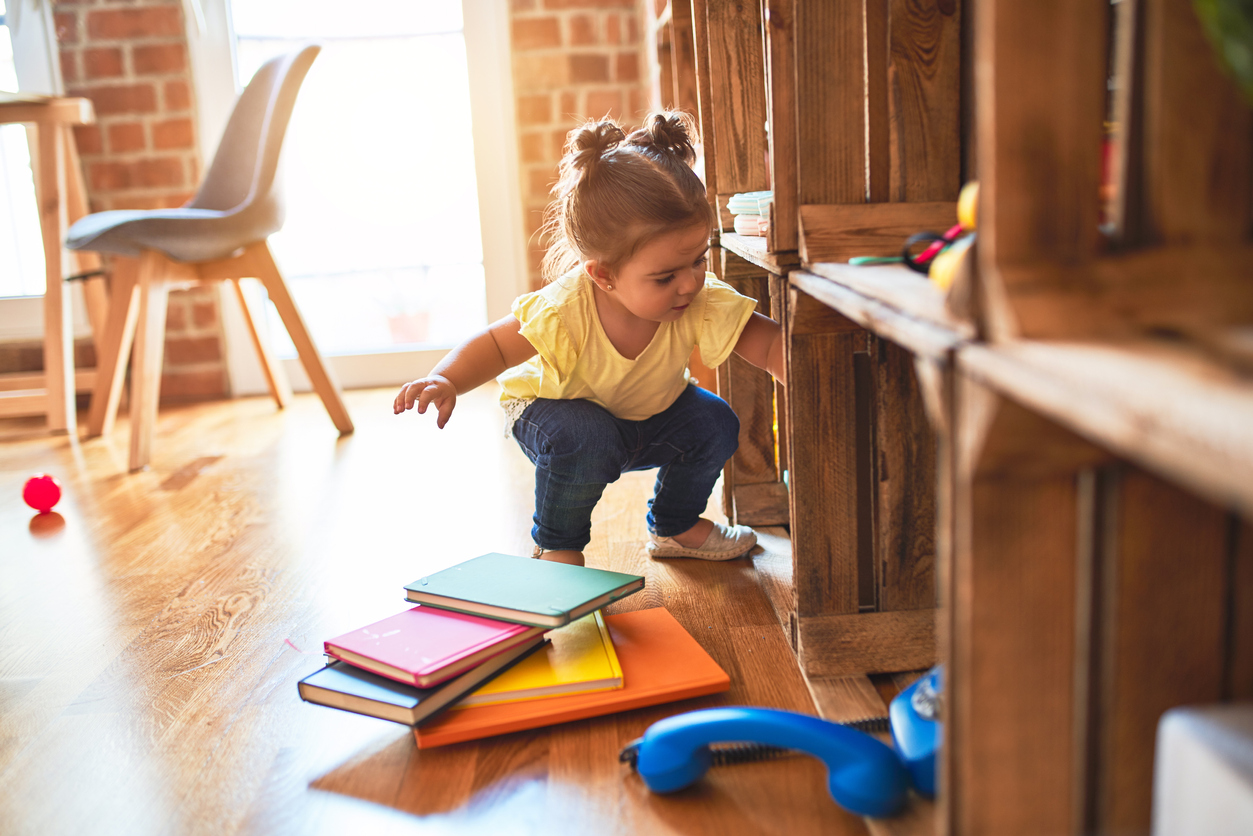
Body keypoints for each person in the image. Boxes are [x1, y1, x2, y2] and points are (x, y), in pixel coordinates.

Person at [394, 112, 784, 567]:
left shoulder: (700, 298)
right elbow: (497, 345)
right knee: (588, 435)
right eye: (665, 277)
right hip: (554, 416)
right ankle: (558, 546)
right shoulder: (566, 308)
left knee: (714, 421)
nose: (689, 283)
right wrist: (446, 380)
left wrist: (801, 371)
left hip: (643, 418)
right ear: (603, 275)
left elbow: (766, 342)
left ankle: (675, 526)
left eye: (698, 260)